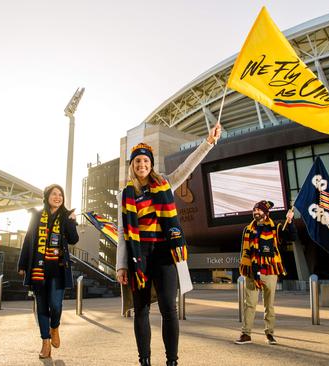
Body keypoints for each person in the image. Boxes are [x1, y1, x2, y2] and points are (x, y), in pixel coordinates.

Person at [117, 122, 222, 366]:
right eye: (137, 162)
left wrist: (208, 142)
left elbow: (188, 167)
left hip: (165, 253)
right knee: (141, 311)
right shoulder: (126, 193)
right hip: (138, 255)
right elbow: (123, 232)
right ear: (132, 166)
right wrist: (121, 265)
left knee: (168, 309)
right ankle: (144, 360)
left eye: (145, 161)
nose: (142, 165)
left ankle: (172, 361)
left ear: (151, 164)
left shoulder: (165, 183)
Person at [18, 184, 79, 359]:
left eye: (60, 194)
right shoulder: (37, 215)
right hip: (38, 268)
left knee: (56, 304)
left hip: (58, 269)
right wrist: (22, 264)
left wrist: (71, 222)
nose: (57, 197)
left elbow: (74, 239)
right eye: (54, 194)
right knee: (42, 306)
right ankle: (45, 342)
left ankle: (55, 327)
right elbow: (29, 239)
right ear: (47, 196)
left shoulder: (66, 216)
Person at [235, 200, 295, 346]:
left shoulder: (275, 228)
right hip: (252, 272)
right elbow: (244, 250)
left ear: (266, 213)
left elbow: (290, 236)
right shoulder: (247, 230)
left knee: (270, 305)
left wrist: (290, 220)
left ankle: (270, 334)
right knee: (249, 304)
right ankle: (246, 334)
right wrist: (246, 268)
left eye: (259, 210)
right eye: (254, 210)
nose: (256, 212)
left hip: (270, 270)